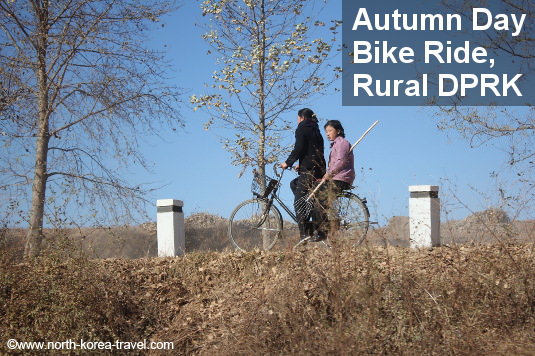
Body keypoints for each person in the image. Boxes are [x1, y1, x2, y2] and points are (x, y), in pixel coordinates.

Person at [280, 108, 326, 242]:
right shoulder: (316, 130)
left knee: (299, 202)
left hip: (310, 171)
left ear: (301, 117)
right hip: (318, 169)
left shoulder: (302, 128)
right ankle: (310, 215)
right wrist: (302, 164)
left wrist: (287, 163)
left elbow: (299, 148)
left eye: (297, 118)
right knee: (294, 184)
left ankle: (304, 234)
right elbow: (312, 150)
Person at [320, 120, 356, 234]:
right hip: (336, 177)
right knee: (321, 198)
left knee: (320, 200)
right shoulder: (335, 144)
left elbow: (341, 162)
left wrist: (329, 174)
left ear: (338, 131)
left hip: (341, 178)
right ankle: (328, 223)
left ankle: (330, 225)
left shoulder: (342, 143)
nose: (327, 133)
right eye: (326, 131)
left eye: (330, 130)